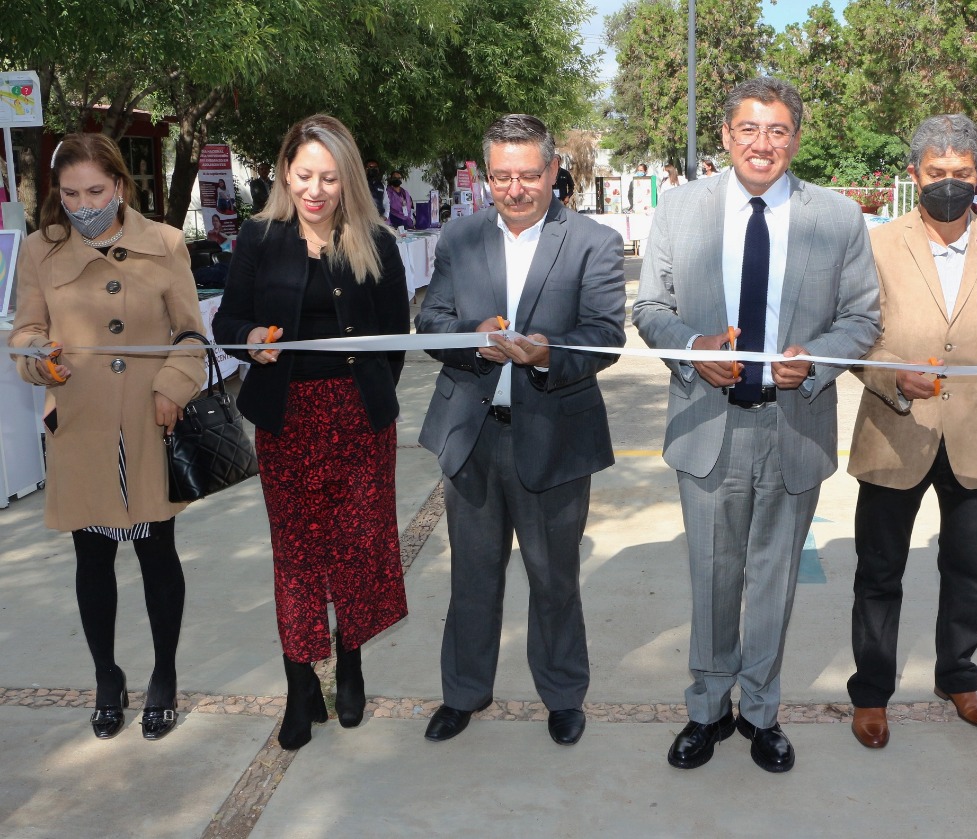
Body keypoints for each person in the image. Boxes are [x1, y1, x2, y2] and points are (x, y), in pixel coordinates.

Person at [633, 76, 880, 773]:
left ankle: (762, 713)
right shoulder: (681, 209)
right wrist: (694, 347)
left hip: (792, 425)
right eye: (748, 129)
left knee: (774, 580)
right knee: (712, 576)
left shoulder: (837, 217)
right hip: (708, 425)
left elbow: (862, 316)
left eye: (777, 131)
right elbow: (649, 307)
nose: (762, 144)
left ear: (795, 139)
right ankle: (707, 708)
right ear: (725, 135)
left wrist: (818, 361)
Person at [417, 114, 625, 748]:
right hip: (472, 436)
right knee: (472, 576)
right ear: (486, 176)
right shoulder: (459, 237)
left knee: (553, 578)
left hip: (556, 437)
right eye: (502, 176)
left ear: (553, 171)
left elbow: (605, 335)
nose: (515, 189)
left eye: (529, 175)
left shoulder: (593, 241)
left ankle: (562, 695)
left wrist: (548, 352)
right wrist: (469, 338)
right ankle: (463, 692)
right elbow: (431, 322)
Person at [845, 114, 977, 750]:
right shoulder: (877, 244)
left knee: (969, 571)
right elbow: (858, 334)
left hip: (976, 435)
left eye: (962, 173)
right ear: (915, 174)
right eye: (937, 173)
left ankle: (959, 679)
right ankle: (871, 692)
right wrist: (890, 376)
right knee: (879, 572)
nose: (950, 183)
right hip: (894, 431)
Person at [212, 114, 410, 751]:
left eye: (328, 178)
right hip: (287, 421)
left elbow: (394, 339)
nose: (315, 190)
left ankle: (350, 663)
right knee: (296, 555)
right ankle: (300, 685)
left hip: (359, 421)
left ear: (347, 178)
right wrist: (248, 339)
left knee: (357, 547)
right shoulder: (258, 237)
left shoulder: (376, 242)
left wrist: (367, 396)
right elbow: (228, 322)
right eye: (303, 176)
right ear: (284, 174)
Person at [8, 133, 207, 742]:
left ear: (120, 185)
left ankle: (164, 676)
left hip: (149, 423)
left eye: (95, 191)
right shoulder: (40, 250)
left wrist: (173, 386)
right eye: (70, 194)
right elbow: (26, 331)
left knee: (156, 553)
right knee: (91, 557)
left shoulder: (165, 243)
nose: (83, 204)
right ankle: (106, 676)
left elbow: (191, 335)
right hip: (81, 425)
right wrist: (39, 359)